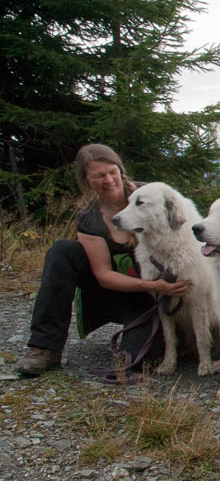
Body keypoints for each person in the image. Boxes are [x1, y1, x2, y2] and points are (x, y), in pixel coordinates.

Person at [14, 144, 188, 377]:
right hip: (117, 291)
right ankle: (45, 347)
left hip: (152, 297)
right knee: (62, 250)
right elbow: (103, 275)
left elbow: (184, 235)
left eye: (112, 172)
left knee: (142, 360)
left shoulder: (151, 195)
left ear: (120, 170)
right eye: (99, 175)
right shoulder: (89, 219)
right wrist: (154, 285)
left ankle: (182, 339)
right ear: (86, 181)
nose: (108, 180)